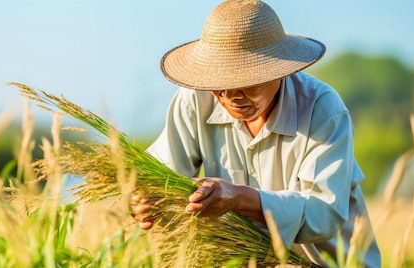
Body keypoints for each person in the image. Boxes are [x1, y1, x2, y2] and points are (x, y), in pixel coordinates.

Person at [130, 0, 381, 267]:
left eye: (243, 82)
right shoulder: (196, 100)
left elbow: (324, 215)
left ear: (278, 72)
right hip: (241, 258)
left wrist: (239, 198)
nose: (229, 97)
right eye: (218, 84)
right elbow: (159, 175)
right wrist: (143, 200)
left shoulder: (323, 111)